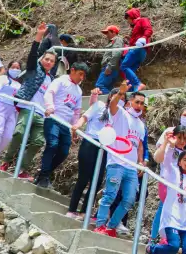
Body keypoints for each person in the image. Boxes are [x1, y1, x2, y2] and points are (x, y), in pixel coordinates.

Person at [93, 82, 146, 237]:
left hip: (131, 167)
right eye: (137, 102)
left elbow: (140, 145)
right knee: (110, 195)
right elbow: (113, 105)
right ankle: (100, 225)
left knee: (129, 199)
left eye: (142, 104)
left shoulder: (141, 124)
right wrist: (120, 92)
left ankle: (111, 226)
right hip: (116, 162)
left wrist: (141, 162)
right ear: (130, 102)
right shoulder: (121, 114)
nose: (139, 106)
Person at [0, 40, 57, 178]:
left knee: (37, 141)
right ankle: (6, 161)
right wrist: (37, 39)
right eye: (46, 59)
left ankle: (22, 169)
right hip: (27, 108)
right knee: (19, 133)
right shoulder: (34, 69)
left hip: (41, 113)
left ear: (54, 64)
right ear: (42, 59)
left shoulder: (52, 80)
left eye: (52, 61)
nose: (48, 62)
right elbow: (32, 56)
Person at [35, 62, 88, 188]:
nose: (81, 78)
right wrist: (50, 106)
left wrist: (74, 128)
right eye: (80, 74)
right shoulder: (61, 81)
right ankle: (43, 176)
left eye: (84, 76)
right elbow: (49, 93)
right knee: (52, 145)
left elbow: (76, 111)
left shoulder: (78, 91)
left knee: (64, 152)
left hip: (65, 125)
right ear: (73, 70)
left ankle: (44, 174)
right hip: (53, 119)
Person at [153, 134, 186, 254]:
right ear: (179, 162)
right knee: (174, 246)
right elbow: (167, 162)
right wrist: (170, 146)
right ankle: (152, 248)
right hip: (172, 219)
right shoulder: (173, 174)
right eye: (185, 160)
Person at [66, 87, 109, 219]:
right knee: (83, 178)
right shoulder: (100, 105)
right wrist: (76, 127)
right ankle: (72, 209)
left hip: (105, 147)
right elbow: (85, 117)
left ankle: (84, 211)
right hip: (90, 142)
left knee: (97, 181)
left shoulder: (119, 115)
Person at [0, 60, 22, 164]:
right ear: (9, 68)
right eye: (13, 67)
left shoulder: (19, 85)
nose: (15, 69)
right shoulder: (2, 78)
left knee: (8, 135)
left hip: (12, 110)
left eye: (18, 68)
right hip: (0, 106)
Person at [123, 8, 152, 91]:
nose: (128, 21)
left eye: (128, 19)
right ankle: (133, 90)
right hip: (140, 51)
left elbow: (148, 29)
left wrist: (144, 37)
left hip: (138, 50)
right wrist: (130, 39)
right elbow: (138, 38)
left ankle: (138, 84)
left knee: (124, 66)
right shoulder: (135, 26)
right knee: (130, 70)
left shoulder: (142, 20)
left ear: (132, 16)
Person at [95, 25, 125, 91]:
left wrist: (109, 67)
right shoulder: (113, 41)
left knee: (99, 86)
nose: (106, 35)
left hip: (110, 68)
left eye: (107, 33)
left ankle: (112, 100)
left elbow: (117, 53)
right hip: (111, 68)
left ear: (113, 32)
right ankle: (112, 100)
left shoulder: (117, 39)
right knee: (108, 88)